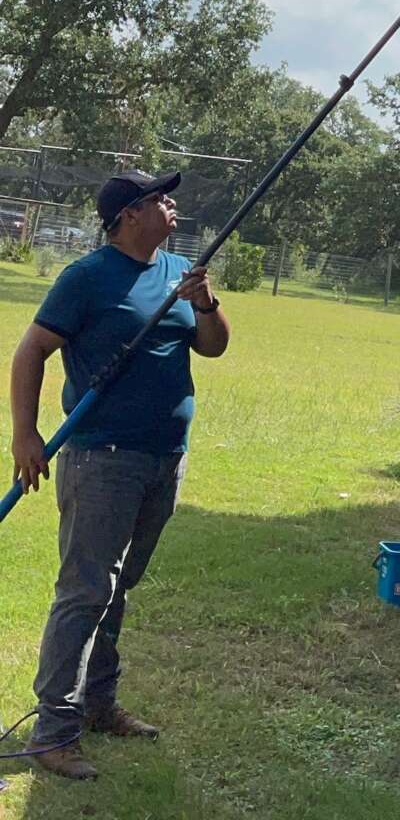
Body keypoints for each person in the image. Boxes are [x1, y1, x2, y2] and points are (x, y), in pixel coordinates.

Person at [8, 170, 230, 782]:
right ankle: (53, 732)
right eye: (159, 198)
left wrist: (205, 302)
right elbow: (31, 351)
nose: (171, 204)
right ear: (129, 215)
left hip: (165, 456)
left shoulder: (180, 271)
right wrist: (25, 434)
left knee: (118, 586)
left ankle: (98, 704)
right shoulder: (87, 277)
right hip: (101, 459)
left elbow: (213, 347)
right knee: (84, 591)